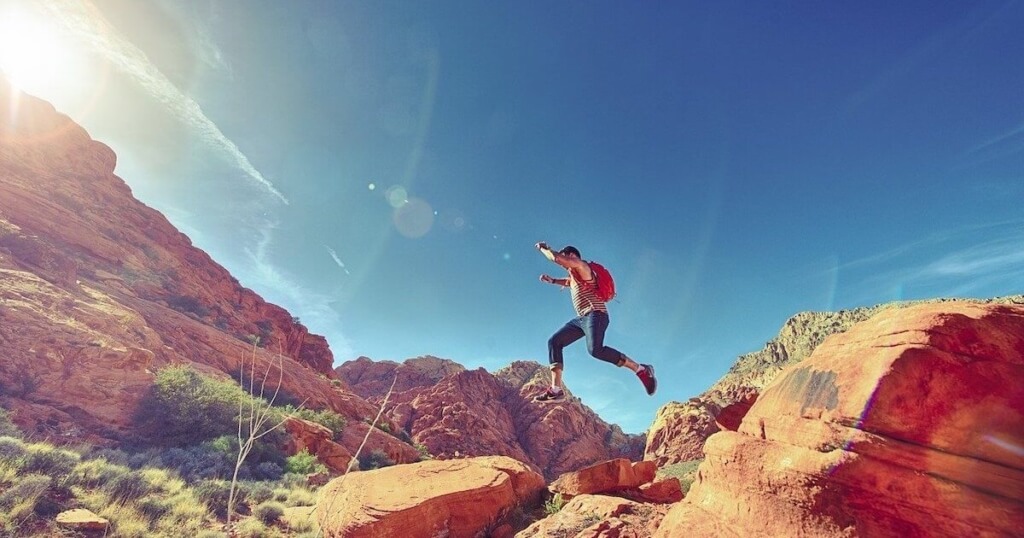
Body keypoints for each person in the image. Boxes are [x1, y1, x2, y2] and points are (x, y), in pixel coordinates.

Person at [534, 242, 657, 401]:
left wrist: (544, 248)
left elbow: (556, 258)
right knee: (554, 342)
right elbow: (567, 281)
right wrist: (552, 281)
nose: (565, 262)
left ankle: (641, 369)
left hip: (596, 314)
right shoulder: (574, 277)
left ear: (572, 256)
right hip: (581, 320)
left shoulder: (582, 266)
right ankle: (556, 389)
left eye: (566, 257)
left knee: (595, 350)